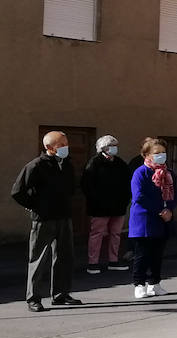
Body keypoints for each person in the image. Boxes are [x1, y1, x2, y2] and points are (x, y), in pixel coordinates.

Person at [11, 131, 82, 312]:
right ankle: (33, 298)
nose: (66, 148)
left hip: (63, 216)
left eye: (66, 144)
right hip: (44, 219)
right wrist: (34, 206)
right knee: (38, 259)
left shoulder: (66, 164)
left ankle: (60, 294)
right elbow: (18, 192)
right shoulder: (36, 166)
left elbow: (71, 187)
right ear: (49, 147)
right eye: (61, 145)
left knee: (65, 257)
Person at [128, 137, 177, 300]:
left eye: (163, 152)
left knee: (158, 253)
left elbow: (174, 194)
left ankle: (154, 283)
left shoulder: (168, 173)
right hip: (144, 219)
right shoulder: (140, 172)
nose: (161, 156)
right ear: (146, 155)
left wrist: (169, 209)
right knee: (142, 254)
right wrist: (160, 210)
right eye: (157, 153)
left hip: (162, 220)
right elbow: (139, 196)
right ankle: (139, 284)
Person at [80, 135, 130, 275]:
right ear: (103, 148)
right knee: (97, 234)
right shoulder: (94, 163)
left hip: (118, 206)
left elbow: (127, 183)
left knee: (116, 234)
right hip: (100, 207)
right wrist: (96, 200)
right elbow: (87, 185)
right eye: (111, 146)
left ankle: (113, 260)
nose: (114, 148)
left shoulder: (120, 163)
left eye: (115, 145)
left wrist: (125, 199)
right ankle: (93, 263)